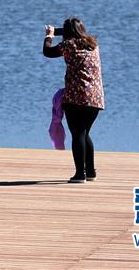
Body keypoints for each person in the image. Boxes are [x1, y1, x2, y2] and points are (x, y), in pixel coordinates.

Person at [43, 17, 105, 183]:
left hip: (76, 98)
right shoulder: (93, 45)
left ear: (69, 34)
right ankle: (90, 172)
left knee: (77, 134)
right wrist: (57, 31)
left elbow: (48, 52)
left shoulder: (69, 45)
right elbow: (75, 33)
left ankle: (79, 175)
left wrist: (49, 36)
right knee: (84, 133)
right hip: (96, 99)